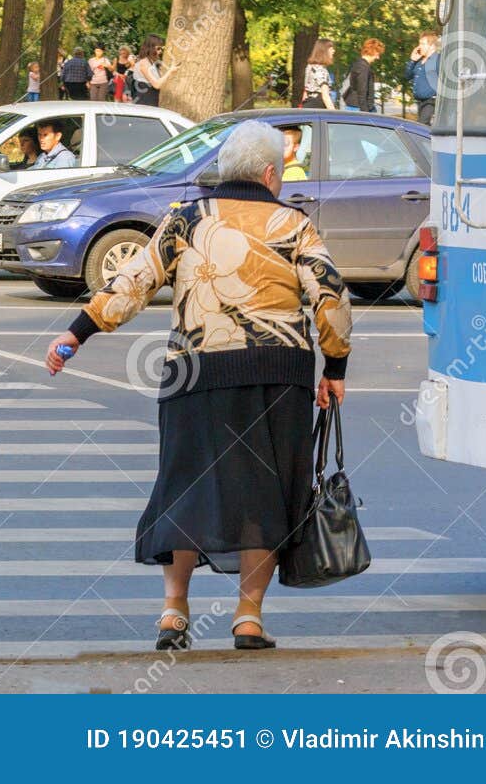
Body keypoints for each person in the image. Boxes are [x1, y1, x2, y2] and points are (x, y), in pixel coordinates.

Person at [45, 121, 352, 652]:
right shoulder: (294, 224)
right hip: (278, 376)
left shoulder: (186, 219)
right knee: (267, 494)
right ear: (267, 174)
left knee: (185, 483)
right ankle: (248, 619)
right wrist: (336, 368)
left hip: (197, 371)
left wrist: (77, 334)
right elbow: (331, 299)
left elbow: (132, 283)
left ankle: (173, 612)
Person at [406, 31, 441, 125]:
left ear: (432, 46)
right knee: (423, 129)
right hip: (420, 102)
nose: (419, 46)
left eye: (422, 44)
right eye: (419, 43)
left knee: (421, 126)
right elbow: (407, 76)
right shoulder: (419, 61)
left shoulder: (438, 60)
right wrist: (412, 60)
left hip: (431, 102)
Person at [342, 38, 382, 112]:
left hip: (356, 105)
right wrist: (365, 114)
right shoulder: (363, 67)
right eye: (377, 54)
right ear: (372, 51)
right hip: (359, 108)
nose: (378, 57)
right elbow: (362, 92)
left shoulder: (357, 64)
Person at [130, 34, 171, 106]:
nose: (160, 51)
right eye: (158, 48)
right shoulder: (144, 63)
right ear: (151, 48)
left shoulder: (151, 62)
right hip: (145, 100)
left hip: (150, 98)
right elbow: (157, 85)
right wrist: (171, 71)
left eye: (161, 49)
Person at [300, 37, 336, 109]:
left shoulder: (310, 67)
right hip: (317, 106)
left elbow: (306, 92)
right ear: (324, 51)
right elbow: (325, 95)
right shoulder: (321, 70)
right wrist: (335, 114)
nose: (333, 51)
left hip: (308, 104)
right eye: (331, 49)